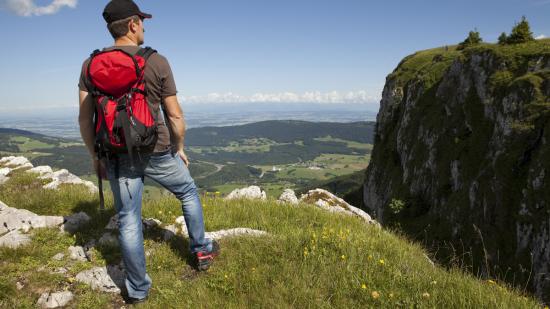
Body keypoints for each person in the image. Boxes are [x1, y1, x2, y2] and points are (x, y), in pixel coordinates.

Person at [77, 0, 219, 304]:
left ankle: (138, 290)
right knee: (189, 192)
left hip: (116, 154)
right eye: (141, 21)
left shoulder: (90, 65)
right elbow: (176, 116)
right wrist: (179, 147)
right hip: (156, 149)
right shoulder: (156, 61)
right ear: (132, 25)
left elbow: (84, 118)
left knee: (128, 218)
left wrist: (95, 155)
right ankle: (201, 250)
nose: (144, 26)